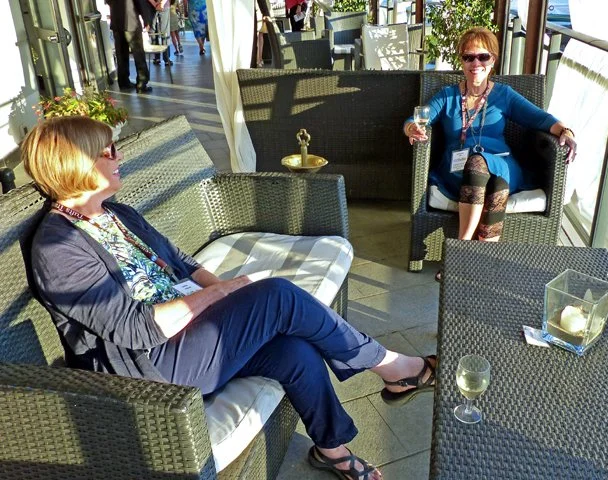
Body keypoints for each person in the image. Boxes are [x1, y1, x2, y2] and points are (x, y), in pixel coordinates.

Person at [22, 115, 438, 480]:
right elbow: (136, 330)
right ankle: (393, 367)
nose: (119, 156)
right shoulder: (57, 248)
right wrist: (224, 293)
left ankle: (332, 449)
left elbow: (181, 262)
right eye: (108, 151)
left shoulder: (116, 213)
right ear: (77, 164)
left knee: (294, 349)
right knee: (277, 296)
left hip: (191, 335)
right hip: (153, 369)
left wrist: (224, 294)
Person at [403, 27, 577, 281]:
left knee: (481, 163)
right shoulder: (448, 95)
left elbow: (541, 119)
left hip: (501, 161)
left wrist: (566, 131)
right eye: (469, 57)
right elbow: (415, 119)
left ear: (493, 60)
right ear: (461, 61)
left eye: (483, 57)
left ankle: (460, 254)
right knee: (496, 185)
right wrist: (412, 128)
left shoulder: (503, 95)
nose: (476, 63)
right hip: (457, 170)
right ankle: (481, 259)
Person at [106, 0, 154, 93]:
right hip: (131, 20)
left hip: (116, 21)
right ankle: (141, 83)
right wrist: (147, 19)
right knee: (138, 54)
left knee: (121, 54)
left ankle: (124, 82)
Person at [148, 0, 172, 66]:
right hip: (163, 5)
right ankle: (166, 59)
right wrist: (161, 3)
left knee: (153, 32)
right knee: (165, 31)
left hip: (152, 6)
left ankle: (157, 58)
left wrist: (155, 4)